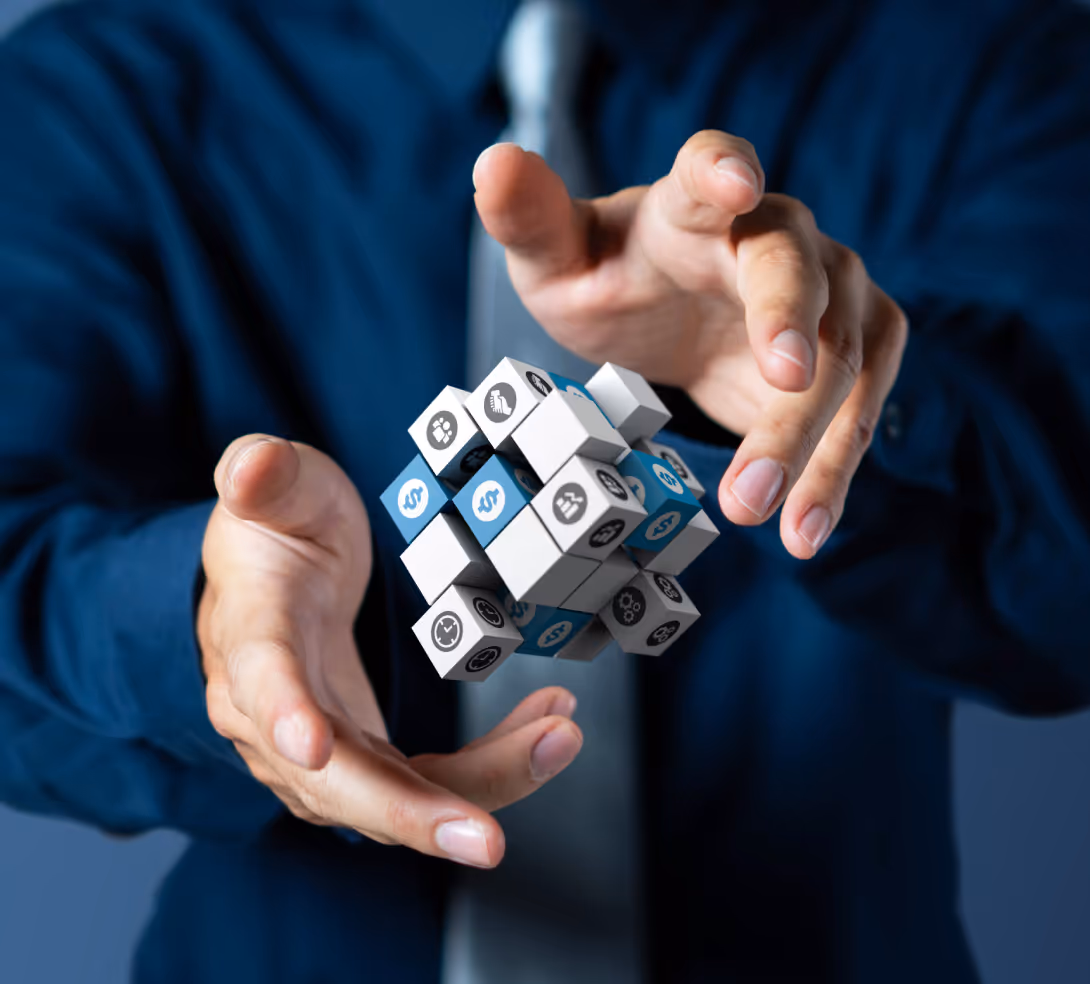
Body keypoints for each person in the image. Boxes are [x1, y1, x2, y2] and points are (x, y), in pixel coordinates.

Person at [0, 0, 1087, 981]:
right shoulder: (99, 86)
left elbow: (1067, 598)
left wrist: (814, 404)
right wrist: (197, 625)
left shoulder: (989, 58)